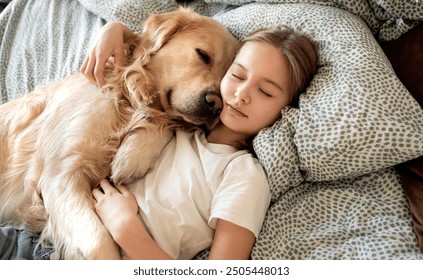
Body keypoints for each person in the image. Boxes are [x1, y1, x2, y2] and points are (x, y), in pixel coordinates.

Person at [0, 23, 318, 260]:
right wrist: (118, 31)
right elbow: (152, 57)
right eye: (235, 75)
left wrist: (127, 230)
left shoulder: (245, 175)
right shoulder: (181, 125)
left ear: (285, 111)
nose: (240, 94)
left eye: (266, 92)